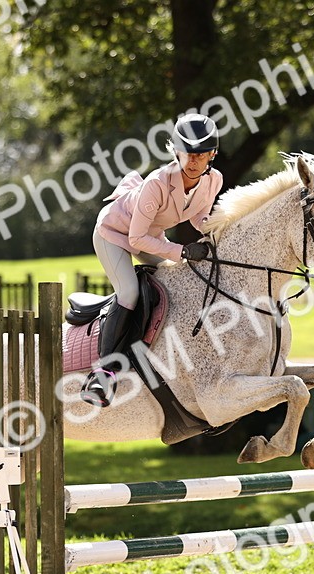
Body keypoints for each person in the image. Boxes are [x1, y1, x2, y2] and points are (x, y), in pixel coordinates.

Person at [80, 113, 224, 407]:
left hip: (151, 236)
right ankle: (103, 374)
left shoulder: (214, 180)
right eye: (188, 154)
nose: (194, 161)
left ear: (212, 154)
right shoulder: (158, 183)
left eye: (201, 154)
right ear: (177, 152)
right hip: (114, 234)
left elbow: (198, 215)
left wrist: (217, 232)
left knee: (180, 279)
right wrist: (182, 252)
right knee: (129, 292)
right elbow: (135, 240)